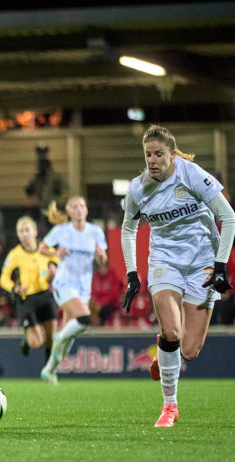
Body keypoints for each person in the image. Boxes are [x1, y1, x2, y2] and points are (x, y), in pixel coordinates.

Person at [120, 124, 234, 427]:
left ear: (172, 155)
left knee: (189, 350)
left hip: (203, 263)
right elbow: (129, 228)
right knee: (171, 331)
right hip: (164, 261)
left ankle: (163, 357)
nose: (152, 160)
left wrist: (221, 264)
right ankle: (169, 406)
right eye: (148, 154)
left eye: (159, 154)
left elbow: (228, 216)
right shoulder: (138, 188)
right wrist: (132, 273)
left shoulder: (192, 174)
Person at [39, 196, 107, 385]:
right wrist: (55, 253)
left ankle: (49, 370)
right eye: (74, 207)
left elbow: (103, 259)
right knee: (84, 319)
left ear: (86, 210)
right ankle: (58, 337)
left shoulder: (95, 232)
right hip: (64, 283)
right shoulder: (61, 231)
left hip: (83, 288)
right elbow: (42, 248)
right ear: (68, 212)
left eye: (82, 206)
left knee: (69, 339)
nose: (78, 209)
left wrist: (100, 256)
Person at [0, 216, 58, 361]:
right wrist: (15, 288)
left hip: (45, 294)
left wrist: (54, 270)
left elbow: (58, 264)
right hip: (27, 299)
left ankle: (49, 365)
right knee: (36, 342)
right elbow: (3, 278)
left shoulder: (46, 250)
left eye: (27, 230)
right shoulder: (15, 255)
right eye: (21, 231)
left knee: (52, 334)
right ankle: (27, 340)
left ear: (35, 232)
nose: (24, 234)